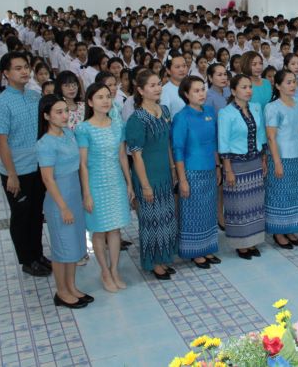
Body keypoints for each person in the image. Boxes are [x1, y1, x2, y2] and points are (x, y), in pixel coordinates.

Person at [0, 52, 51, 277]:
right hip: (16, 170)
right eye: (18, 68)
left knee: (36, 213)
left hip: (37, 167)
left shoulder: (34, 97)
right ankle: (27, 259)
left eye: (26, 67)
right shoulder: (1, 104)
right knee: (21, 215)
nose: (24, 71)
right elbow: (1, 141)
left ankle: (38, 254)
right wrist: (12, 175)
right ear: (5, 74)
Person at [36, 95, 92, 309]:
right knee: (62, 249)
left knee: (75, 246)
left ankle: (72, 287)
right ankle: (61, 292)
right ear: (46, 116)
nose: (64, 116)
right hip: (59, 201)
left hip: (74, 196)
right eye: (58, 112)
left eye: (65, 111)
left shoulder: (69, 134)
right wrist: (63, 207)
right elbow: (48, 179)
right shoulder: (45, 143)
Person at [77, 83, 134, 291]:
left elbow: (122, 156)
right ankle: (104, 271)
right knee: (99, 231)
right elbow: (82, 164)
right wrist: (87, 193)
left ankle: (115, 269)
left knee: (115, 229)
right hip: (95, 183)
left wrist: (128, 183)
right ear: (90, 102)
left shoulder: (117, 125)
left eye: (108, 97)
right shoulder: (84, 129)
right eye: (100, 97)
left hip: (115, 181)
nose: (105, 101)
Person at [126, 71, 179, 280]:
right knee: (151, 220)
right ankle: (153, 262)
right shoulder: (136, 119)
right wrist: (145, 185)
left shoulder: (164, 110)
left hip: (164, 172)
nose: (157, 88)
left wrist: (173, 168)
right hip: (147, 175)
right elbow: (136, 156)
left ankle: (164, 257)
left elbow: (166, 143)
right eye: (152, 85)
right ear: (140, 90)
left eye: (159, 84)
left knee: (166, 217)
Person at [172, 76, 221, 269]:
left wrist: (218, 167)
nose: (202, 94)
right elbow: (178, 150)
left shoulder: (209, 111)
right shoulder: (182, 117)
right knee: (193, 213)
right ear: (186, 94)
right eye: (196, 91)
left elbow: (214, 142)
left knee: (209, 211)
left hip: (210, 168)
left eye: (203, 89)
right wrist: (182, 180)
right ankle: (195, 251)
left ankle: (207, 247)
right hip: (192, 172)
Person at [218, 74, 268, 260]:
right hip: (236, 165)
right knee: (238, 206)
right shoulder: (226, 113)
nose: (248, 90)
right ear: (233, 91)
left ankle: (252, 241)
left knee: (254, 204)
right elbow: (223, 143)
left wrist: (263, 158)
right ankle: (241, 244)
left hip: (254, 162)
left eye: (250, 87)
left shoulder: (255, 108)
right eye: (244, 87)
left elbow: (260, 135)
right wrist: (227, 169)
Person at [264, 70, 298, 249]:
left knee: (294, 193)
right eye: (288, 82)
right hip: (280, 156)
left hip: (297, 154)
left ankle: (290, 228)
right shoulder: (272, 107)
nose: (292, 86)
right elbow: (271, 137)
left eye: (294, 82)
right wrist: (277, 162)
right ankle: (278, 232)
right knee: (278, 194)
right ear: (278, 85)